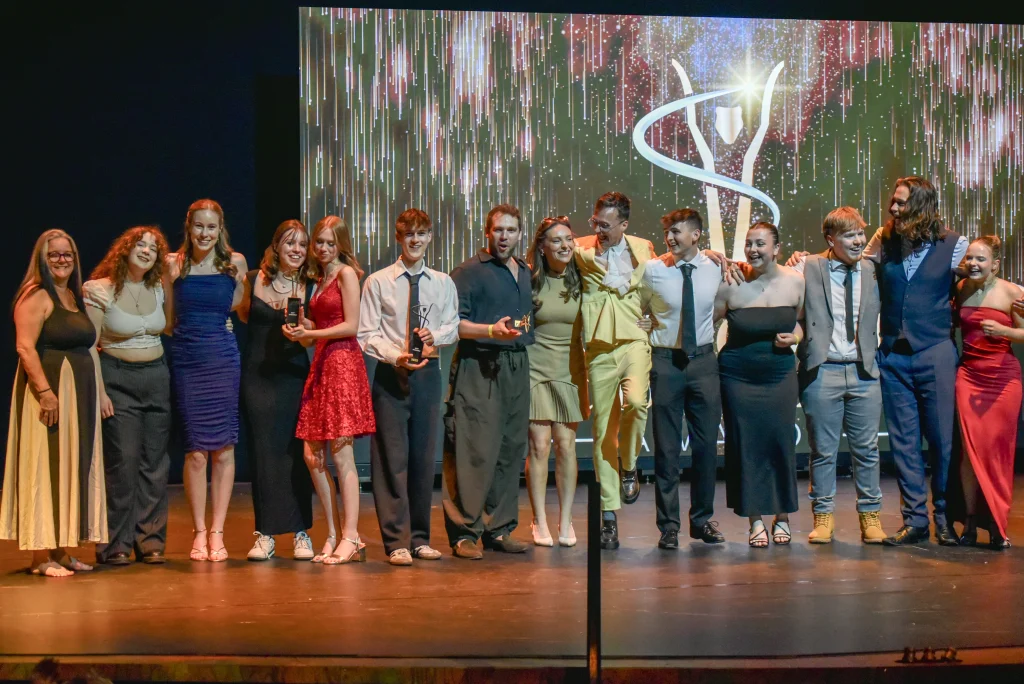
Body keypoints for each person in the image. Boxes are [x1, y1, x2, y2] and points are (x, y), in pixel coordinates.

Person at [1, 229, 107, 576]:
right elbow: (24, 347)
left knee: (67, 466)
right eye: (54, 255)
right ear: (42, 259)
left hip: (77, 395)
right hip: (48, 394)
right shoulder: (36, 295)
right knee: (43, 466)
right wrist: (45, 393)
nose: (62, 260)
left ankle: (60, 551)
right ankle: (39, 557)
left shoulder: (72, 296)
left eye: (67, 254)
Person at [357, 208, 460, 565]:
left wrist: (436, 336)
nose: (416, 240)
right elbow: (366, 334)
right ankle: (396, 540)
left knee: (422, 458)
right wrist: (395, 355)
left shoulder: (442, 282)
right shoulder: (378, 281)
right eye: (409, 234)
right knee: (391, 458)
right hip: (392, 374)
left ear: (430, 237)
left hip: (428, 374)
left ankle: (419, 538)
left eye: (422, 233)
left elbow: (453, 325)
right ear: (398, 237)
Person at [791, 208, 887, 544]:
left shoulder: (873, 269)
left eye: (860, 233)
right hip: (823, 369)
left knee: (867, 450)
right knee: (823, 450)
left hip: (864, 370)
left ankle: (870, 516)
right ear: (831, 239)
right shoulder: (807, 266)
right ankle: (823, 516)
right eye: (849, 235)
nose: (858, 241)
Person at [443, 204, 534, 560]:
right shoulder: (468, 272)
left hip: (516, 365)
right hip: (479, 365)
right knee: (473, 450)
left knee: (510, 449)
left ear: (520, 234)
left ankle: (499, 528)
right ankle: (464, 532)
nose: (504, 237)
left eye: (511, 230)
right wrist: (490, 331)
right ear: (487, 232)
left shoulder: (524, 271)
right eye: (498, 230)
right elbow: (454, 325)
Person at [286, 216, 375, 565]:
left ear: (340, 244)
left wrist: (311, 334)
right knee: (313, 456)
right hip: (322, 363)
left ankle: (352, 536)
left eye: (329, 242)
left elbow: (351, 325)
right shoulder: (319, 278)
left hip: (342, 363)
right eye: (319, 242)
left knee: (341, 454)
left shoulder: (346, 274)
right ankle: (335, 534)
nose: (322, 248)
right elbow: (322, 323)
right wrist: (303, 325)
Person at [84, 226, 173, 565]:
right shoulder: (99, 289)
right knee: (123, 463)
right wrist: (100, 391)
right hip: (117, 378)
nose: (147, 251)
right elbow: (90, 346)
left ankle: (150, 540)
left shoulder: (158, 286)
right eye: (140, 244)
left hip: (156, 377)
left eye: (153, 247)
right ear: (124, 249)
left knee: (155, 464)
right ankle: (115, 543)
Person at [166, 199, 249, 562]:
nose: (204, 233)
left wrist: (216, 324)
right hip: (188, 359)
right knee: (196, 452)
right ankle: (199, 531)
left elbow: (239, 305)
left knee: (225, 448)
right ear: (189, 227)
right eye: (199, 226)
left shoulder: (235, 263)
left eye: (211, 227)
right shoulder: (173, 263)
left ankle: (218, 531)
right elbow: (167, 318)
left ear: (220, 229)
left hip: (223, 359)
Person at [639, 209, 725, 549]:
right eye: (667, 232)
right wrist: (644, 327)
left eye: (676, 232)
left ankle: (701, 520)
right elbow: (636, 308)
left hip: (703, 362)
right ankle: (669, 526)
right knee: (667, 448)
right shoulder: (653, 270)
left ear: (696, 235)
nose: (670, 238)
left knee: (706, 447)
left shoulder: (716, 266)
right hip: (666, 362)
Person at [714, 222, 804, 547]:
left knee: (780, 443)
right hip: (737, 376)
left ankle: (783, 516)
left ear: (776, 248)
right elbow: (708, 323)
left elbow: (802, 324)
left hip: (779, 374)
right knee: (745, 445)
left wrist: (795, 338)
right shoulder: (732, 282)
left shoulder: (796, 281)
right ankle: (754, 520)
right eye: (749, 244)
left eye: (760, 244)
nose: (753, 250)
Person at [574, 192, 655, 550]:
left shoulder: (643, 248)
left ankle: (630, 464)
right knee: (603, 429)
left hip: (634, 338)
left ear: (624, 224)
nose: (599, 231)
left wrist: (713, 254)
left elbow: (664, 275)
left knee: (636, 403)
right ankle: (609, 513)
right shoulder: (580, 249)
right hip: (598, 345)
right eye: (596, 223)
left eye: (606, 225)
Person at [237, 220, 316, 561]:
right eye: (289, 243)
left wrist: (306, 329)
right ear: (276, 246)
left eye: (302, 244)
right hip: (258, 376)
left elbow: (315, 334)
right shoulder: (253, 279)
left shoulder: (311, 284)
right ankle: (265, 533)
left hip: (294, 376)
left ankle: (301, 532)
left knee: (295, 453)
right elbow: (244, 316)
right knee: (263, 453)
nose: (296, 250)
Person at [952, 236, 1023, 549]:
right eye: (970, 258)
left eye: (980, 259)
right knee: (969, 451)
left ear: (995, 264)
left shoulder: (1012, 293)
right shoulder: (961, 289)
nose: (973, 264)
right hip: (969, 376)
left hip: (1002, 379)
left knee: (996, 451)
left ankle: (996, 522)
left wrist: (1004, 331)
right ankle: (969, 521)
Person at [524, 216, 589, 548]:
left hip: (570, 371)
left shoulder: (583, 275)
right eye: (556, 240)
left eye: (569, 239)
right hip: (535, 369)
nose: (565, 245)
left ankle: (566, 520)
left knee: (566, 446)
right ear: (542, 247)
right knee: (539, 446)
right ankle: (539, 519)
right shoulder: (529, 280)